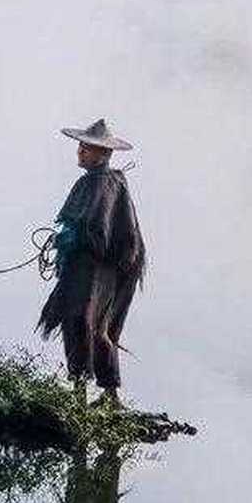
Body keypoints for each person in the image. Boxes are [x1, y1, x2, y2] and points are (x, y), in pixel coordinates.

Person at [37, 118, 146, 408]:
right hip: (82, 269)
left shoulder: (110, 184)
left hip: (100, 270)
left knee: (89, 324)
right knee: (78, 323)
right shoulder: (89, 183)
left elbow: (103, 233)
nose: (80, 152)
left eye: (86, 148)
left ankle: (104, 395)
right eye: (81, 147)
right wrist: (66, 237)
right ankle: (83, 392)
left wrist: (74, 237)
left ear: (103, 154)